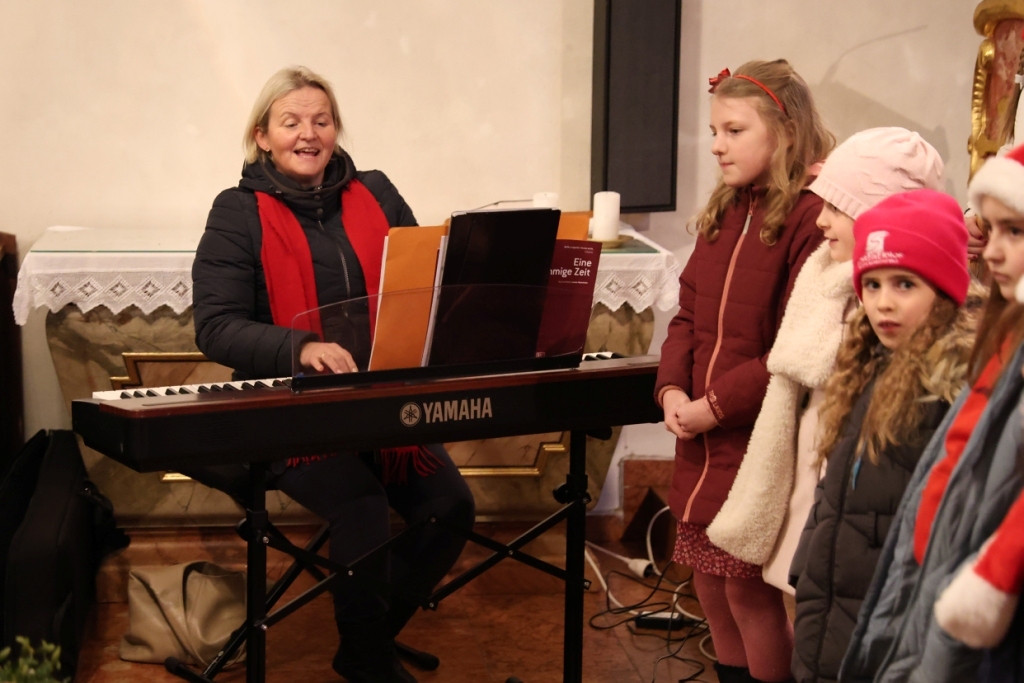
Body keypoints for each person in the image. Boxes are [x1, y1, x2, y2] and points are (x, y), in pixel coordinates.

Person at [190, 66, 475, 683]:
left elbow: (422, 280)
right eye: (291, 122)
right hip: (292, 411)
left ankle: (365, 639)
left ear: (336, 129)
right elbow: (215, 326)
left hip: (380, 402)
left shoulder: (377, 192)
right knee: (362, 507)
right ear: (262, 136)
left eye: (321, 121)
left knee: (449, 506)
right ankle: (369, 660)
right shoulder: (237, 212)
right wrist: (301, 348)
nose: (308, 134)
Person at [706, 128, 946, 597]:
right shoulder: (824, 277)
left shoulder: (885, 312)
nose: (821, 221)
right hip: (814, 480)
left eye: (837, 209)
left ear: (879, 217)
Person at [655, 59, 832, 683]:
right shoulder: (725, 210)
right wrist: (671, 389)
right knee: (708, 584)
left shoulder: (810, 218)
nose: (716, 145)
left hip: (755, 438)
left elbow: (791, 346)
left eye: (734, 131)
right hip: (702, 437)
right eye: (714, 131)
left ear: (785, 133)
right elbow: (687, 315)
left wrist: (715, 406)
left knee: (747, 593)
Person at [841, 144, 1024, 683]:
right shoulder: (1003, 338)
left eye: (1013, 231)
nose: (990, 251)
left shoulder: (951, 371)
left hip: (978, 595)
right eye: (990, 230)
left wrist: (989, 578)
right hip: (926, 573)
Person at [788, 190, 975, 683]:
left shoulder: (950, 389)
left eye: (904, 284)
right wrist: (805, 570)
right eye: (871, 284)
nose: (883, 303)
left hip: (888, 626)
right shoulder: (867, 366)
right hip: (830, 608)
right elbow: (834, 490)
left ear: (943, 289)